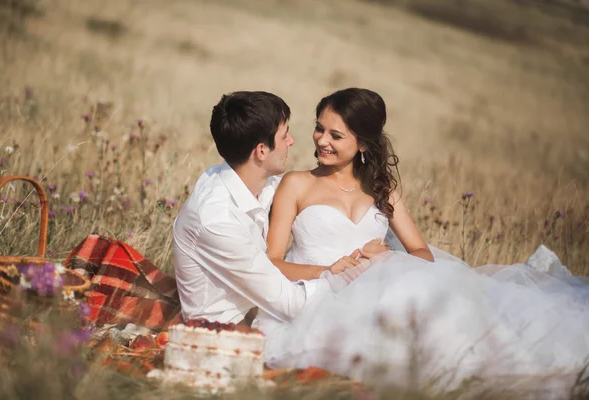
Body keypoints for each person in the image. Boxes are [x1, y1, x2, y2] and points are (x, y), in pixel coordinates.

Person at [259, 88, 589, 392]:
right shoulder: (297, 184)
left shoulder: (381, 189)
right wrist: (330, 270)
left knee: (460, 318)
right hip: (318, 297)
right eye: (319, 128)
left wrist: (382, 258)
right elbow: (272, 261)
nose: (322, 140)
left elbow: (421, 253)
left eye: (336, 135)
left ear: (362, 144)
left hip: (376, 293)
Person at [172, 91, 375, 325]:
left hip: (267, 307)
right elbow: (290, 303)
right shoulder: (218, 221)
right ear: (261, 151)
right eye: (284, 135)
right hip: (229, 329)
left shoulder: (259, 184)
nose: (291, 141)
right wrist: (342, 277)